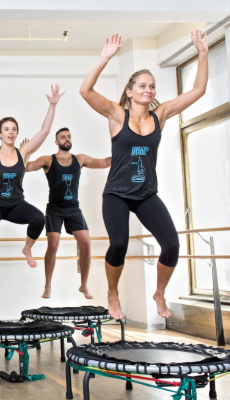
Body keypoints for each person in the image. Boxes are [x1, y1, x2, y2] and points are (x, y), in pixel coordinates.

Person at [79, 31, 209, 319]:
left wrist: (202, 53)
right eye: (142, 86)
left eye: (152, 86)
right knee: (119, 244)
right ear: (129, 91)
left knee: (172, 245)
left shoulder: (160, 115)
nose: (148, 90)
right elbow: (85, 91)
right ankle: (113, 293)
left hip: (146, 193)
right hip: (117, 194)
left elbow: (198, 90)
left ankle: (159, 293)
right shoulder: (117, 115)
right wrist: (104, 58)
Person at [0, 85, 64, 270]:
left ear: (16, 133)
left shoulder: (23, 153)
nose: (10, 132)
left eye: (13, 129)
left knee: (39, 218)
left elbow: (44, 132)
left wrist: (52, 105)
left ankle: (27, 249)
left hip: (16, 204)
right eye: (6, 129)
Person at [25, 127, 111, 299]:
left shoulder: (80, 159)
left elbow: (104, 162)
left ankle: (84, 285)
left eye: (69, 136)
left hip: (73, 209)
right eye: (63, 137)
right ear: (56, 142)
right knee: (53, 245)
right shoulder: (48, 160)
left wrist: (121, 148)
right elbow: (26, 168)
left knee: (86, 245)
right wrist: (26, 151)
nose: (67, 139)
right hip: (54, 210)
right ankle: (48, 285)